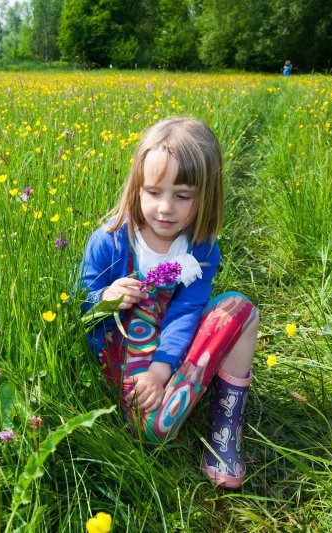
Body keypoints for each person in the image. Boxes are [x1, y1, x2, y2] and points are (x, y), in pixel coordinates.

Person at [76, 117, 259, 488]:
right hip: (121, 355)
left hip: (170, 351)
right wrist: (105, 300)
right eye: (153, 192)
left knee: (240, 311)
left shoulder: (202, 249)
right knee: (154, 427)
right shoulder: (110, 241)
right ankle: (164, 402)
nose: (165, 208)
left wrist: (161, 371)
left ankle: (225, 426)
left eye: (182, 195)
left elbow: (186, 312)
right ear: (136, 187)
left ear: (205, 195)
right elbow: (79, 309)